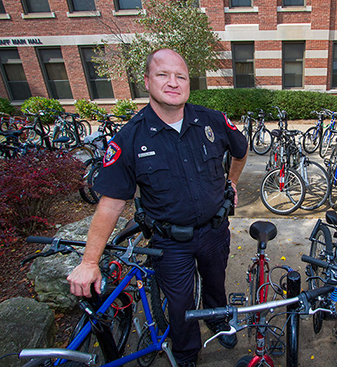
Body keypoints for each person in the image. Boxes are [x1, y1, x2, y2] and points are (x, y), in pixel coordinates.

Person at [67, 48, 248, 367]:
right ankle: (188, 352)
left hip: (215, 232)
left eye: (181, 76)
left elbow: (240, 150)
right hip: (169, 243)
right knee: (179, 305)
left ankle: (218, 322)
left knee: (216, 283)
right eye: (164, 74)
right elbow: (110, 205)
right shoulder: (130, 139)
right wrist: (89, 261)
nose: (174, 82)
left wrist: (231, 183)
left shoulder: (212, 120)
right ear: (147, 81)